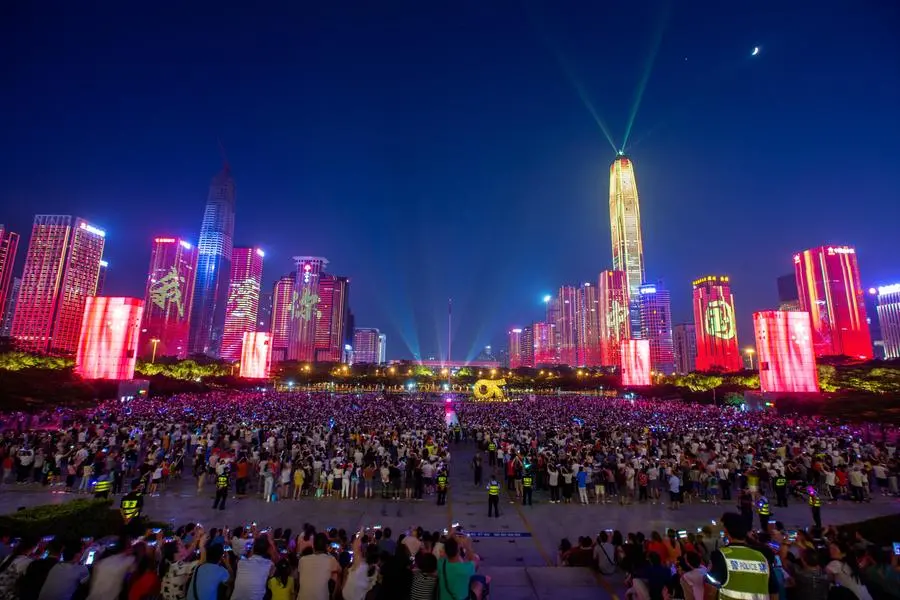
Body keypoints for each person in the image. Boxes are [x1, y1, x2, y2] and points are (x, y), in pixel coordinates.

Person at [704, 513, 776, 600]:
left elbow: (710, 592)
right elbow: (774, 592)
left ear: (726, 531)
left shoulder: (720, 556)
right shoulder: (761, 557)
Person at [297, 533, 340, 600]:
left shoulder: (302, 560)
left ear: (313, 545)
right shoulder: (331, 559)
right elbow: (340, 570)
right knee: (336, 575)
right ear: (326, 546)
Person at [231, 535, 277, 600]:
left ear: (253, 549)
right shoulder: (269, 564)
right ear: (268, 550)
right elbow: (276, 559)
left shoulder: (241, 562)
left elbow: (249, 556)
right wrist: (271, 543)